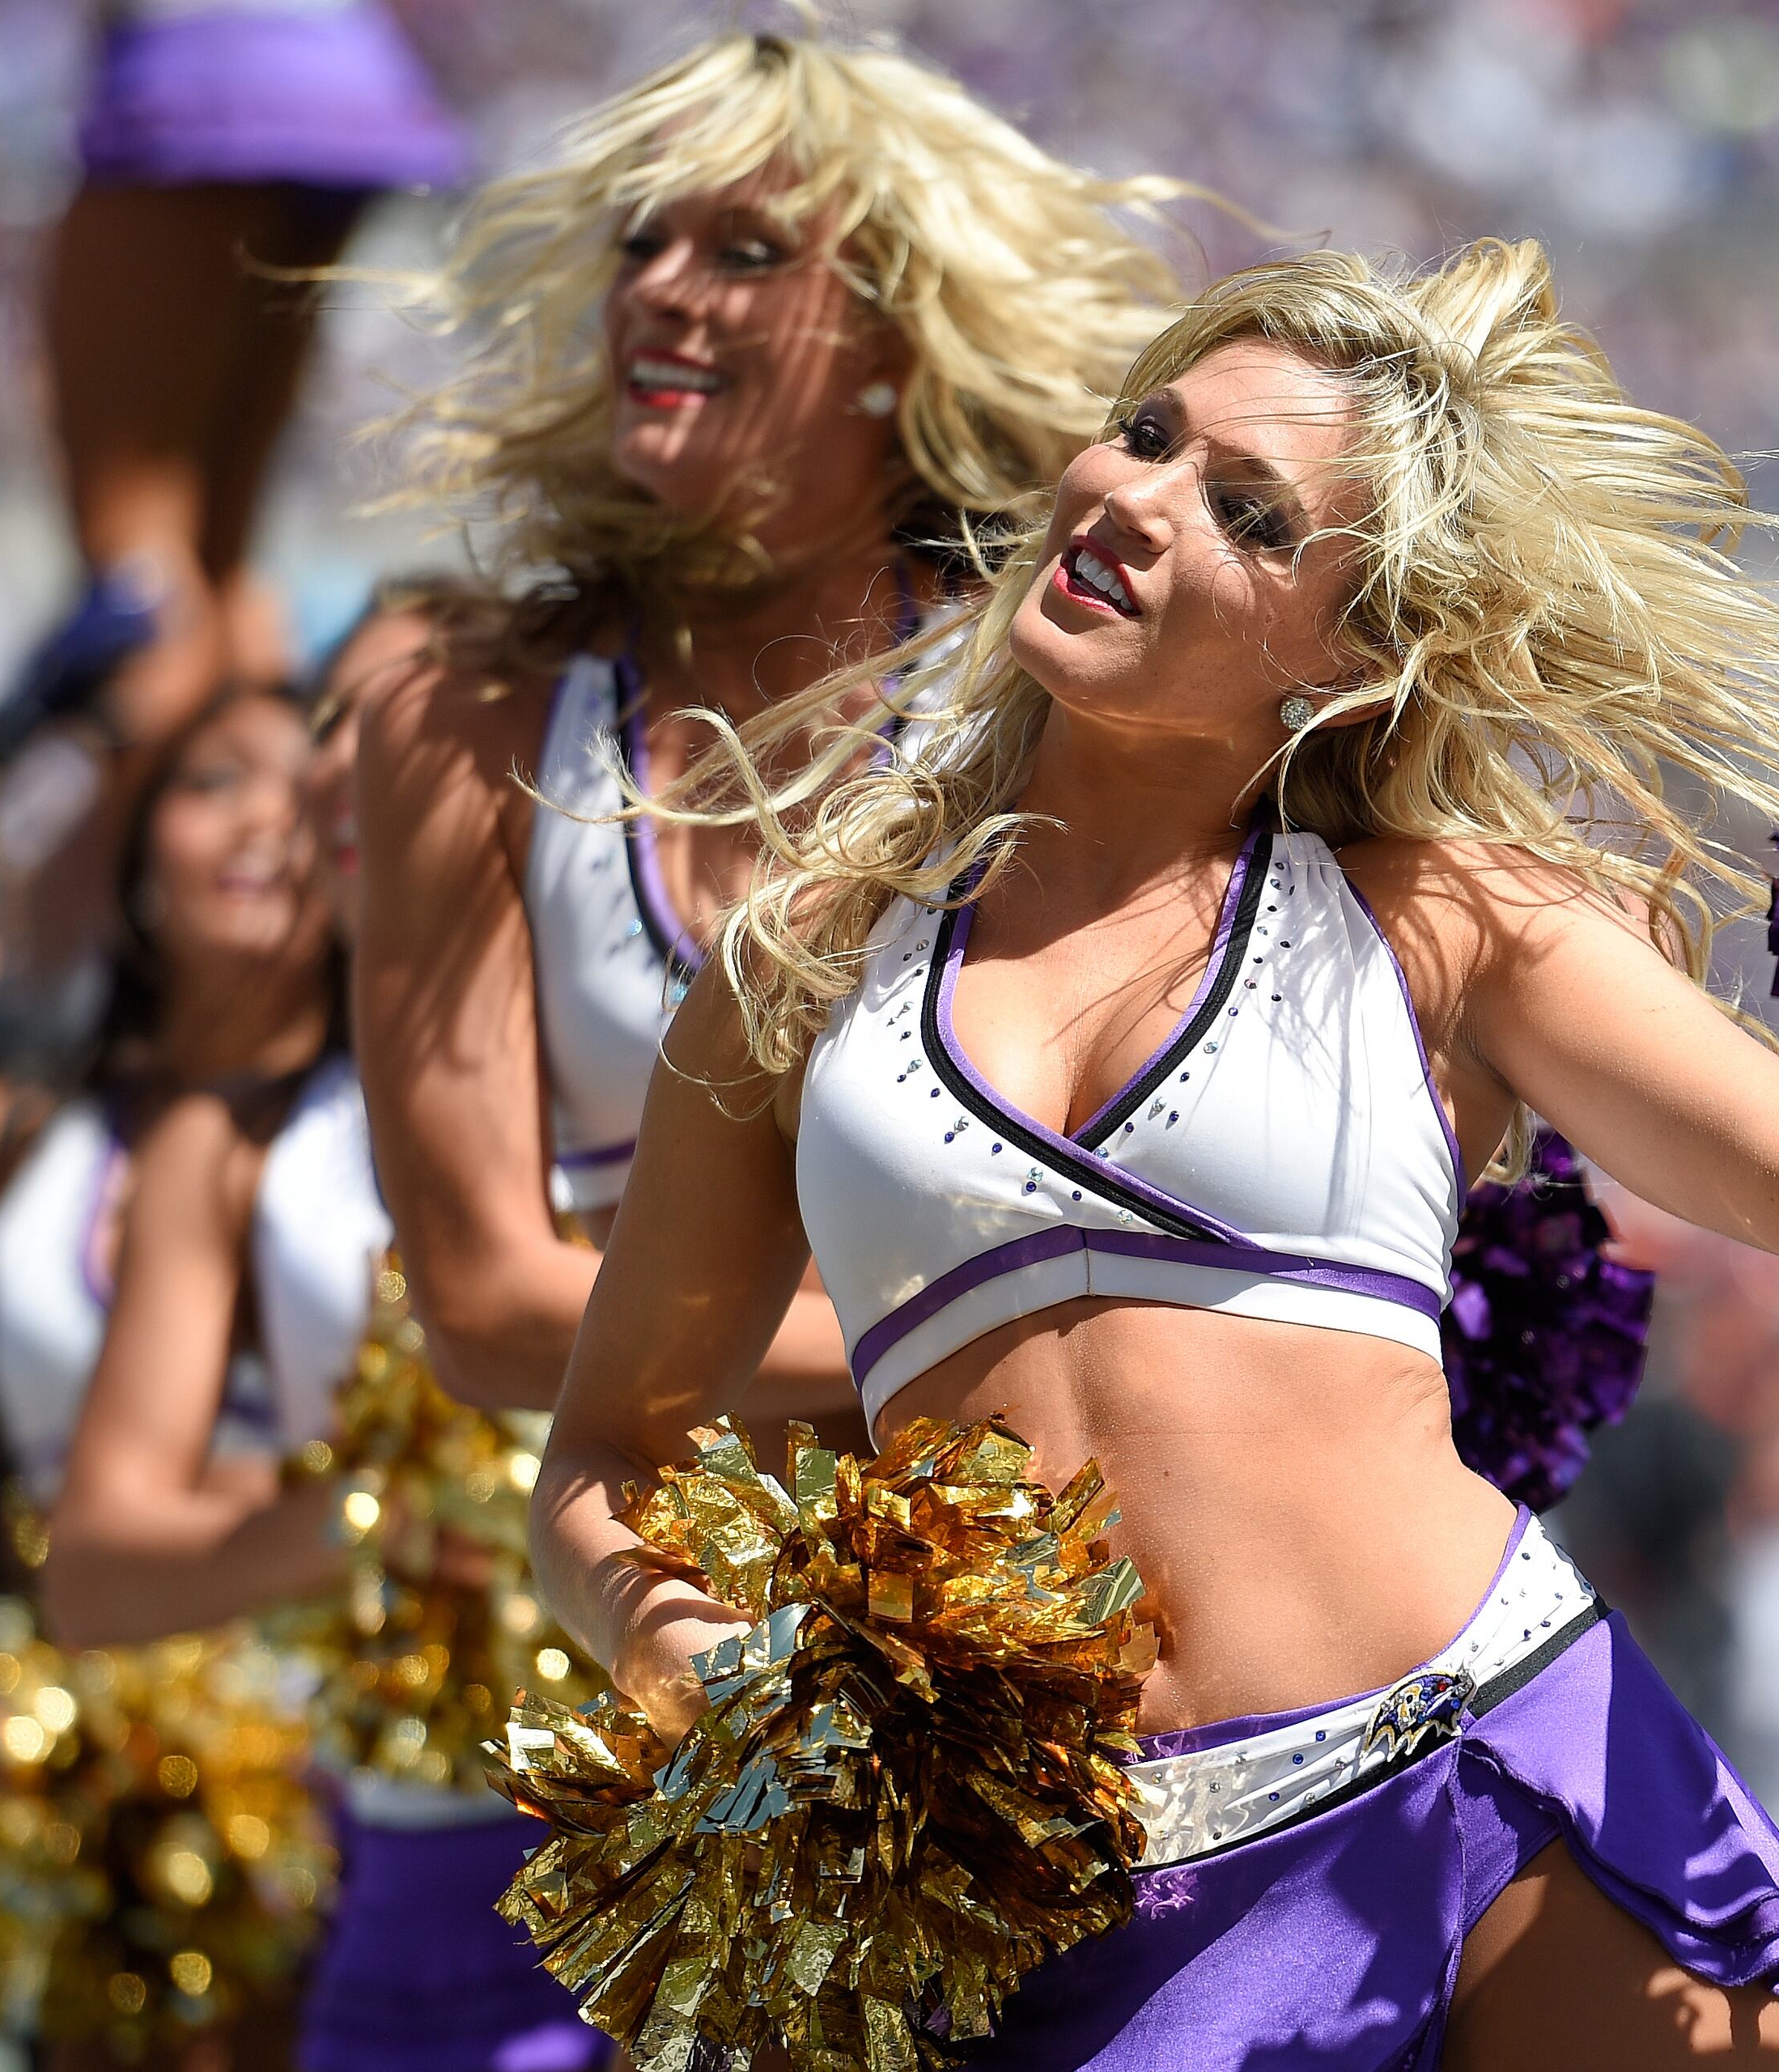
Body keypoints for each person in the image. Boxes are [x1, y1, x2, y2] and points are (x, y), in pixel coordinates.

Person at [527, 242, 1779, 2069]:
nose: (1136, 499)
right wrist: (692, 1652)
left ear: (1347, 652)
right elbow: (604, 1453)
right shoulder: (806, 959)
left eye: (1248, 511)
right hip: (1071, 1899)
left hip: (1499, 1772)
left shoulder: (1434, 916)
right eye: (1147, 434)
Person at [351, 23, 1189, 1429]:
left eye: (744, 253)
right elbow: (488, 1305)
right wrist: (1037, 1369)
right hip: (637, 1571)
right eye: (638, 244)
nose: (662, 292)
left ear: (891, 333)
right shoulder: (465, 713)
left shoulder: (1038, 691)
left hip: (1032, 1573)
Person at [40, 667, 615, 2072]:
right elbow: (98, 1565)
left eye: (429, 715)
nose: (368, 762)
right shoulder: (236, 1144)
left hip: (666, 1838)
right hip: (407, 1882)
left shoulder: (634, 1071)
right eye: (341, 730)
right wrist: (404, 1517)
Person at [0, 680, 333, 2071]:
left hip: (357, 1793)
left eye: (310, 786)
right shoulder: (16, 1131)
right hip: (98, 1819)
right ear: (137, 850)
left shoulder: (391, 1145)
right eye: (214, 778)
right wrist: (33, 1765)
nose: (267, 819)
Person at [0, 0, 464, 1087]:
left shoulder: (57, 1064)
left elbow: (154, 637)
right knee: (207, 574)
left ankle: (92, 944)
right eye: (220, 786)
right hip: (321, 58)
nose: (257, 821)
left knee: (148, 590)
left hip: (204, 59)